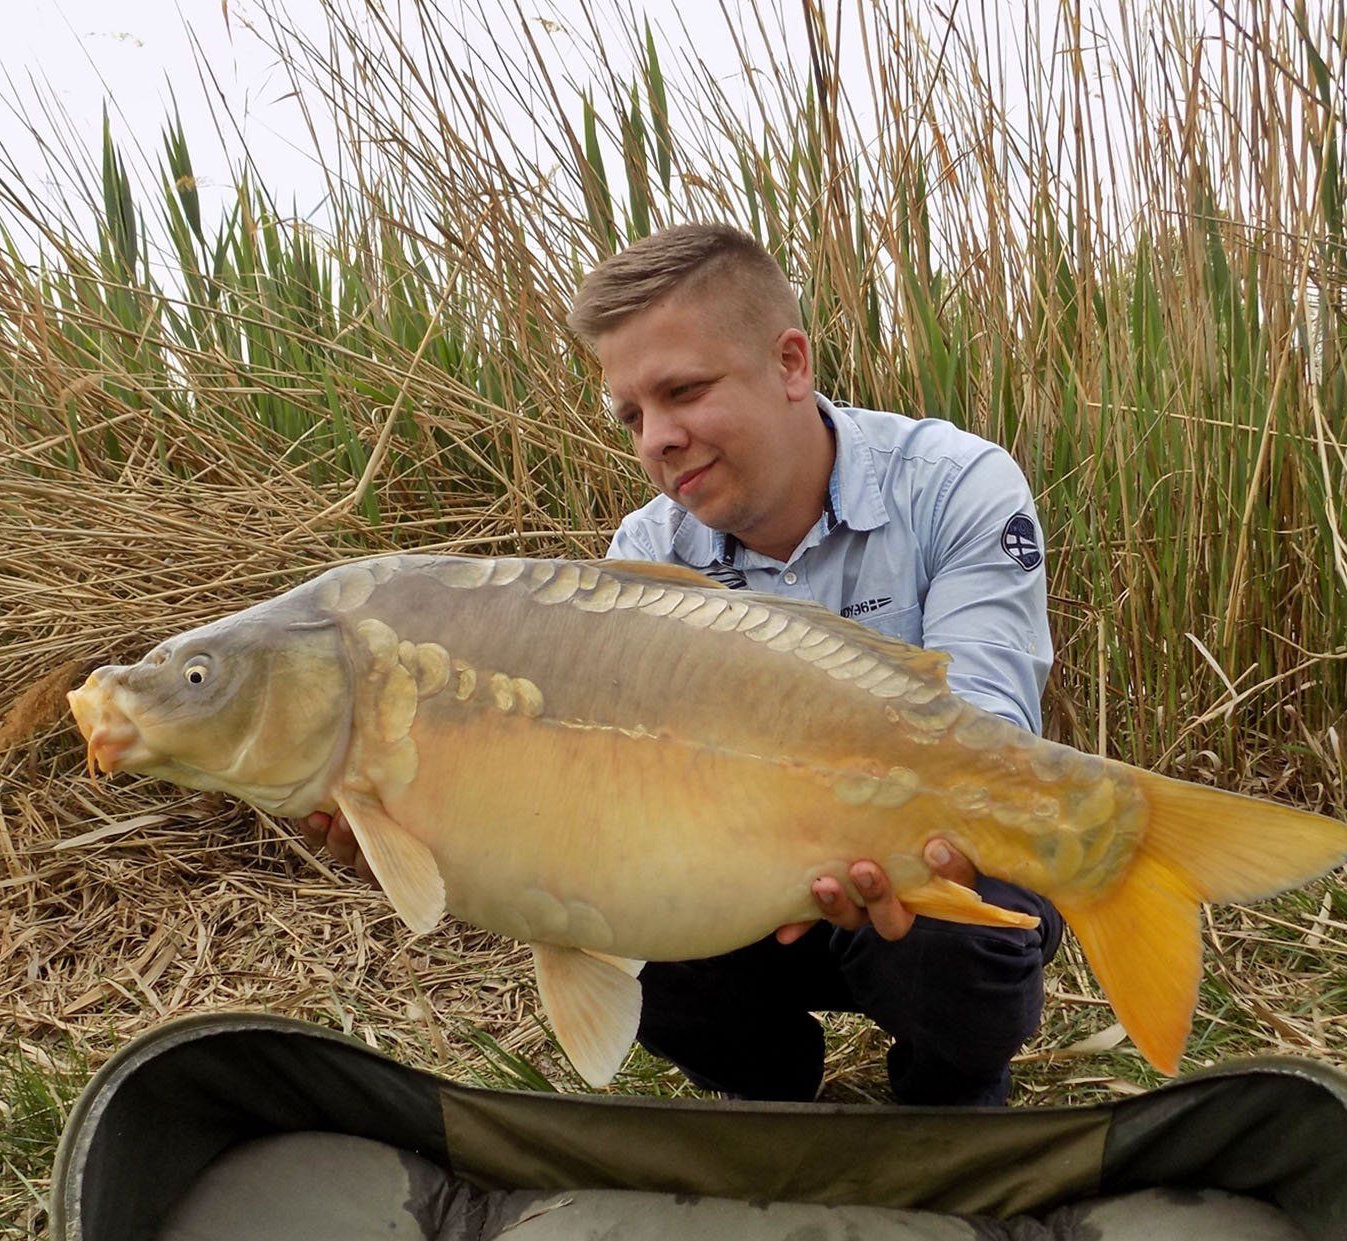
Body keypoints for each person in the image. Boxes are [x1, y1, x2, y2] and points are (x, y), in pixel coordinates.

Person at [300, 222, 1059, 1106]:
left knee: (963, 936)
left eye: (683, 391)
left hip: (908, 850)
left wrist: (873, 839)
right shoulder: (642, 556)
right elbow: (588, 793)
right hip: (731, 872)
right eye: (632, 414)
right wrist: (418, 821)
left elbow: (992, 741)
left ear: (790, 364)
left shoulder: (956, 486)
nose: (656, 438)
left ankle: (950, 1090)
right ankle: (769, 1098)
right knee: (625, 916)